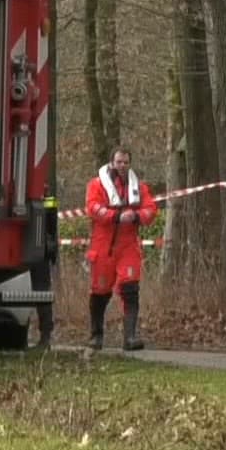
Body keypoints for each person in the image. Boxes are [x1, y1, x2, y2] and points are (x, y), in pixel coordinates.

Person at [85, 147, 157, 351]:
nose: (123, 166)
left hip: (128, 245)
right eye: (119, 162)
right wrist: (116, 216)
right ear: (112, 163)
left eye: (126, 162)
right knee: (100, 292)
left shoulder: (139, 187)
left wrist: (137, 216)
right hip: (103, 246)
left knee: (130, 289)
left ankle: (130, 337)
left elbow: (151, 209)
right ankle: (96, 336)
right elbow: (93, 208)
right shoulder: (96, 185)